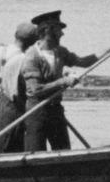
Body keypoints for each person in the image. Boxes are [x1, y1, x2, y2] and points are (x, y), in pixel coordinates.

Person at [27, 8, 98, 153]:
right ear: (48, 30)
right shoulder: (32, 57)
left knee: (63, 151)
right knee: (36, 155)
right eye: (59, 29)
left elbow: (83, 62)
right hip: (36, 112)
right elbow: (36, 90)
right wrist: (63, 81)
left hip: (56, 110)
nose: (62, 33)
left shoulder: (60, 51)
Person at [0, 21, 42, 153]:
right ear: (33, 43)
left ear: (16, 35)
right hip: (11, 106)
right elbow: (26, 88)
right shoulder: (23, 59)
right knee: (12, 146)